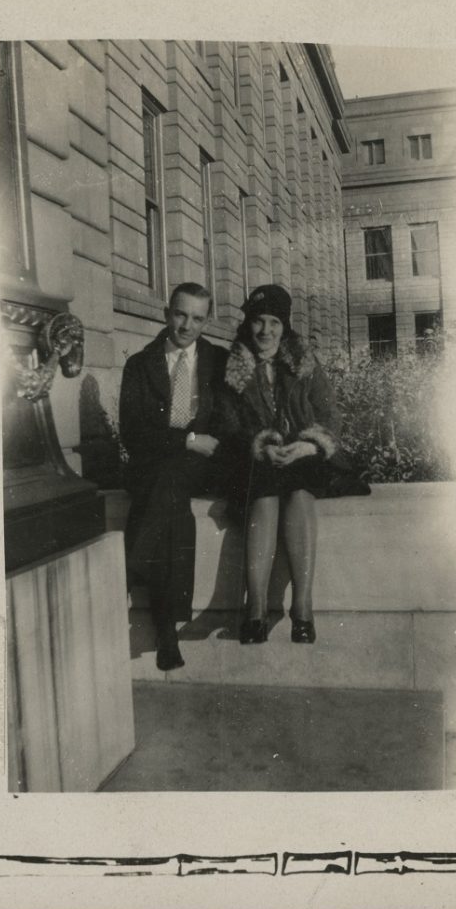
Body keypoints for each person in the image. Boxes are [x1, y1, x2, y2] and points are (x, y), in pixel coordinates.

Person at [216, 284, 348, 646]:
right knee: (264, 493)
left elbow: (331, 418)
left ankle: (302, 607)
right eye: (258, 321)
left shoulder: (304, 362)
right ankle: (255, 608)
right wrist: (259, 445)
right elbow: (227, 426)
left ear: (284, 326)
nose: (265, 331)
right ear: (248, 324)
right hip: (258, 460)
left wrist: (308, 445)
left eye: (274, 322)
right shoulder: (236, 367)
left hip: (302, 456)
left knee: (300, 492)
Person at [119, 282, 226, 671]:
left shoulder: (219, 360)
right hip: (158, 467)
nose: (187, 326)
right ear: (166, 313)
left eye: (197, 318)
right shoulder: (141, 363)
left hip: (205, 467)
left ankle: (129, 571)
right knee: (170, 494)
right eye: (180, 314)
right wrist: (187, 440)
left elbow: (227, 425)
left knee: (168, 486)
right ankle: (167, 634)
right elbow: (133, 431)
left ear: (206, 320)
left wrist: (198, 444)